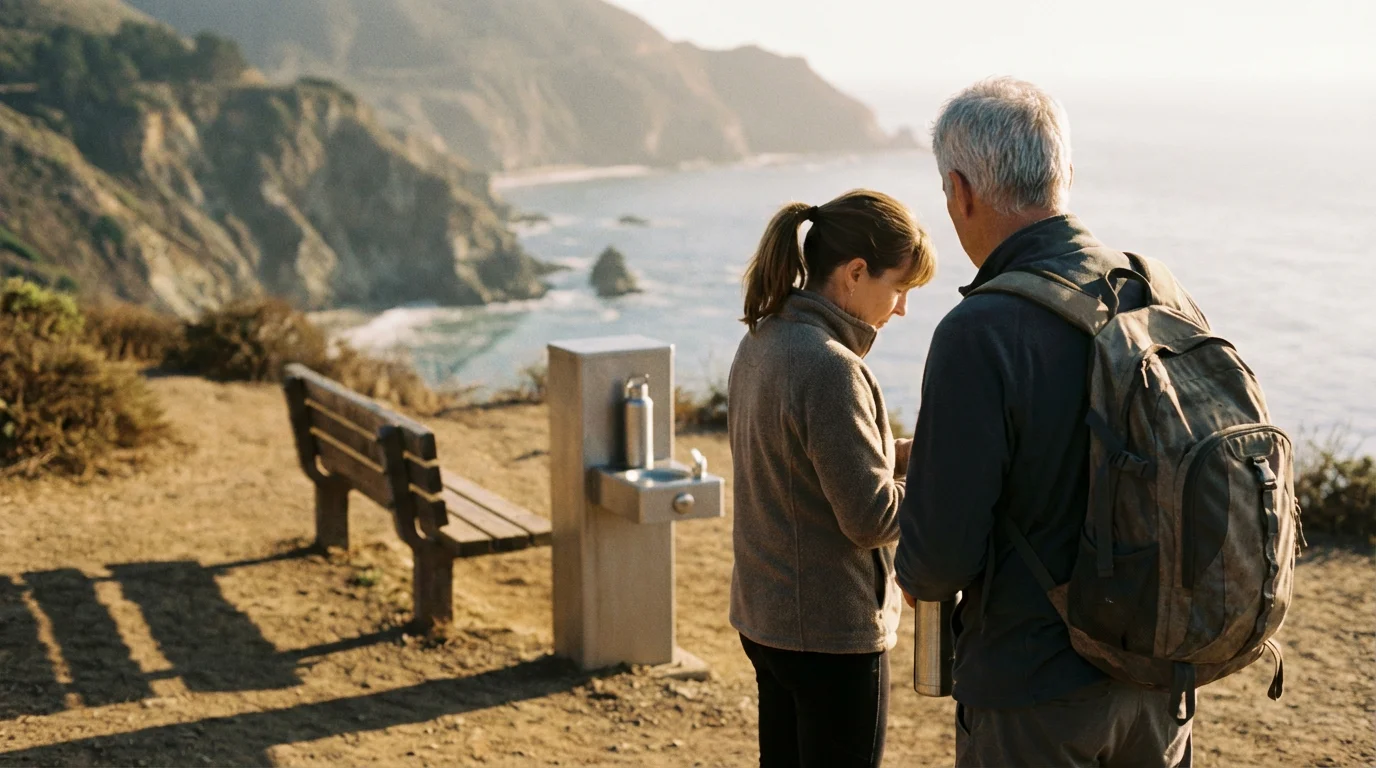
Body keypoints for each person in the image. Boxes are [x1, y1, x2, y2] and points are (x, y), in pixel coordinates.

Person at [895, 78, 1201, 767]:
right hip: (1162, 674)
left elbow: (938, 559)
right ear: (1062, 176)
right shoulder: (1158, 289)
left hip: (1034, 693)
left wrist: (913, 569)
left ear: (962, 190)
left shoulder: (981, 330)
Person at [730, 189, 936, 767]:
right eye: (898, 288)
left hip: (768, 619)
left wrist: (914, 454)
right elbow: (870, 518)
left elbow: (806, 461)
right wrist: (946, 485)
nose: (900, 309)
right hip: (828, 634)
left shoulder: (765, 338)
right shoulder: (831, 367)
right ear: (854, 273)